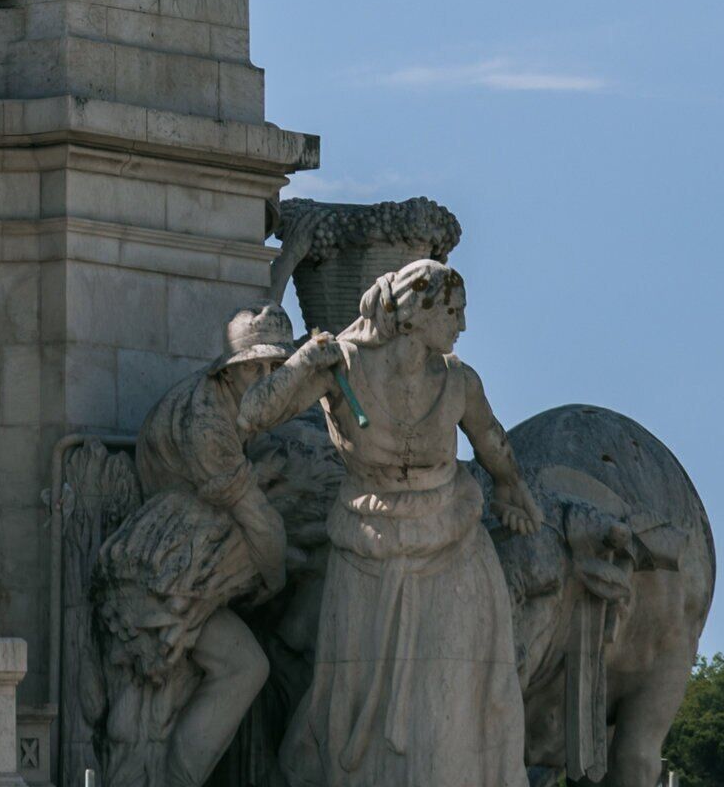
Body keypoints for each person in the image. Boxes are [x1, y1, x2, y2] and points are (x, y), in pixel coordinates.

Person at [282, 259, 540, 787]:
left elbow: (492, 443)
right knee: (351, 703)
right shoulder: (344, 368)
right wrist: (301, 364)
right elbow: (262, 414)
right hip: (366, 549)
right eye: (455, 312)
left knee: (452, 701)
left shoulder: (458, 380)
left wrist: (513, 489)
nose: (462, 326)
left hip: (449, 545)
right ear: (419, 314)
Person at [95, 308, 341, 787]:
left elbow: (275, 405)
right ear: (230, 369)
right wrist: (274, 583)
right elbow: (261, 523)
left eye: (275, 367)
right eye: (258, 366)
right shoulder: (204, 423)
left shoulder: (229, 401)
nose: (268, 377)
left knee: (246, 666)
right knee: (243, 667)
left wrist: (313, 370)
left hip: (185, 575)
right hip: (159, 584)